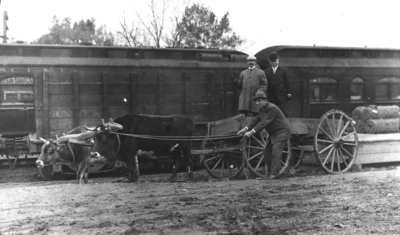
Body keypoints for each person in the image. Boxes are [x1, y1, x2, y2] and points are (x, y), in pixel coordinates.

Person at [237, 91, 291, 179]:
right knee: (267, 153)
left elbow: (264, 123)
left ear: (265, 100)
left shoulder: (271, 108)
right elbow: (255, 120)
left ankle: (274, 174)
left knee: (276, 152)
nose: (257, 103)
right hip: (273, 134)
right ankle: (272, 173)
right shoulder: (262, 110)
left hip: (282, 132)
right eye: (256, 101)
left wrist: (251, 132)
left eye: (259, 101)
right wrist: (245, 129)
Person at [264, 52, 292, 117]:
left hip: (281, 96)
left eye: (274, 60)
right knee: (271, 111)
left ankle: (285, 125)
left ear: (278, 61)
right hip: (271, 96)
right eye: (271, 61)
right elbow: (265, 83)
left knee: (283, 111)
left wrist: (289, 92)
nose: (273, 62)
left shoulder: (283, 70)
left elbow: (288, 82)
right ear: (269, 61)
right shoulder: (266, 71)